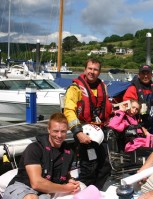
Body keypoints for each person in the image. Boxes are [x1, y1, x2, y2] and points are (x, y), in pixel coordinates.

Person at [3, 113, 80, 199]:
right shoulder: (35, 148)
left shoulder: (69, 152)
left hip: (44, 193)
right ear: (49, 130)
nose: (59, 135)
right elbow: (36, 184)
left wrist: (71, 181)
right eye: (55, 131)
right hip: (23, 187)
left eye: (63, 131)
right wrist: (65, 188)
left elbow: (65, 176)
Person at [64, 58, 112, 190]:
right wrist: (78, 132)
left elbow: (107, 109)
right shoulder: (75, 88)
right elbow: (69, 111)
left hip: (99, 132)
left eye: (95, 69)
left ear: (99, 72)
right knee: (89, 165)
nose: (92, 72)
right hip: (84, 133)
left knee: (105, 166)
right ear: (85, 70)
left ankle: (96, 191)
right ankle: (84, 191)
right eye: (90, 68)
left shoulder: (102, 87)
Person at [123, 65, 153, 138]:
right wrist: (139, 127)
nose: (145, 76)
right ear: (139, 75)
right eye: (143, 73)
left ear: (151, 75)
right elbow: (128, 110)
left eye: (148, 73)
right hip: (138, 125)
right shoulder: (132, 89)